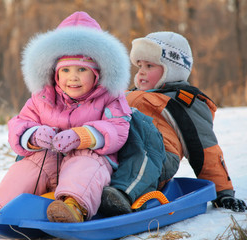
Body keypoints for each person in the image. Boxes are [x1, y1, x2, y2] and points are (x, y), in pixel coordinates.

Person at [0, 11, 132, 223]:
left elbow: (118, 128)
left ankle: (73, 208)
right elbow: (19, 124)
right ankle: (8, 208)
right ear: (55, 73)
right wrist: (34, 135)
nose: (72, 77)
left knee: (85, 162)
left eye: (82, 69)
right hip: (51, 161)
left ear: (97, 73)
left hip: (90, 163)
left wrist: (83, 136)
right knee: (31, 164)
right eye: (65, 70)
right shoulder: (43, 98)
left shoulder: (110, 97)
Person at [99, 31, 246, 217]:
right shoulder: (127, 94)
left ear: (171, 69)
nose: (141, 72)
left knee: (140, 130)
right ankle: (71, 196)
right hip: (118, 149)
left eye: (149, 65)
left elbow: (205, 149)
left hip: (156, 155)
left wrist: (223, 193)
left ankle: (120, 195)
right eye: (139, 66)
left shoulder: (184, 102)